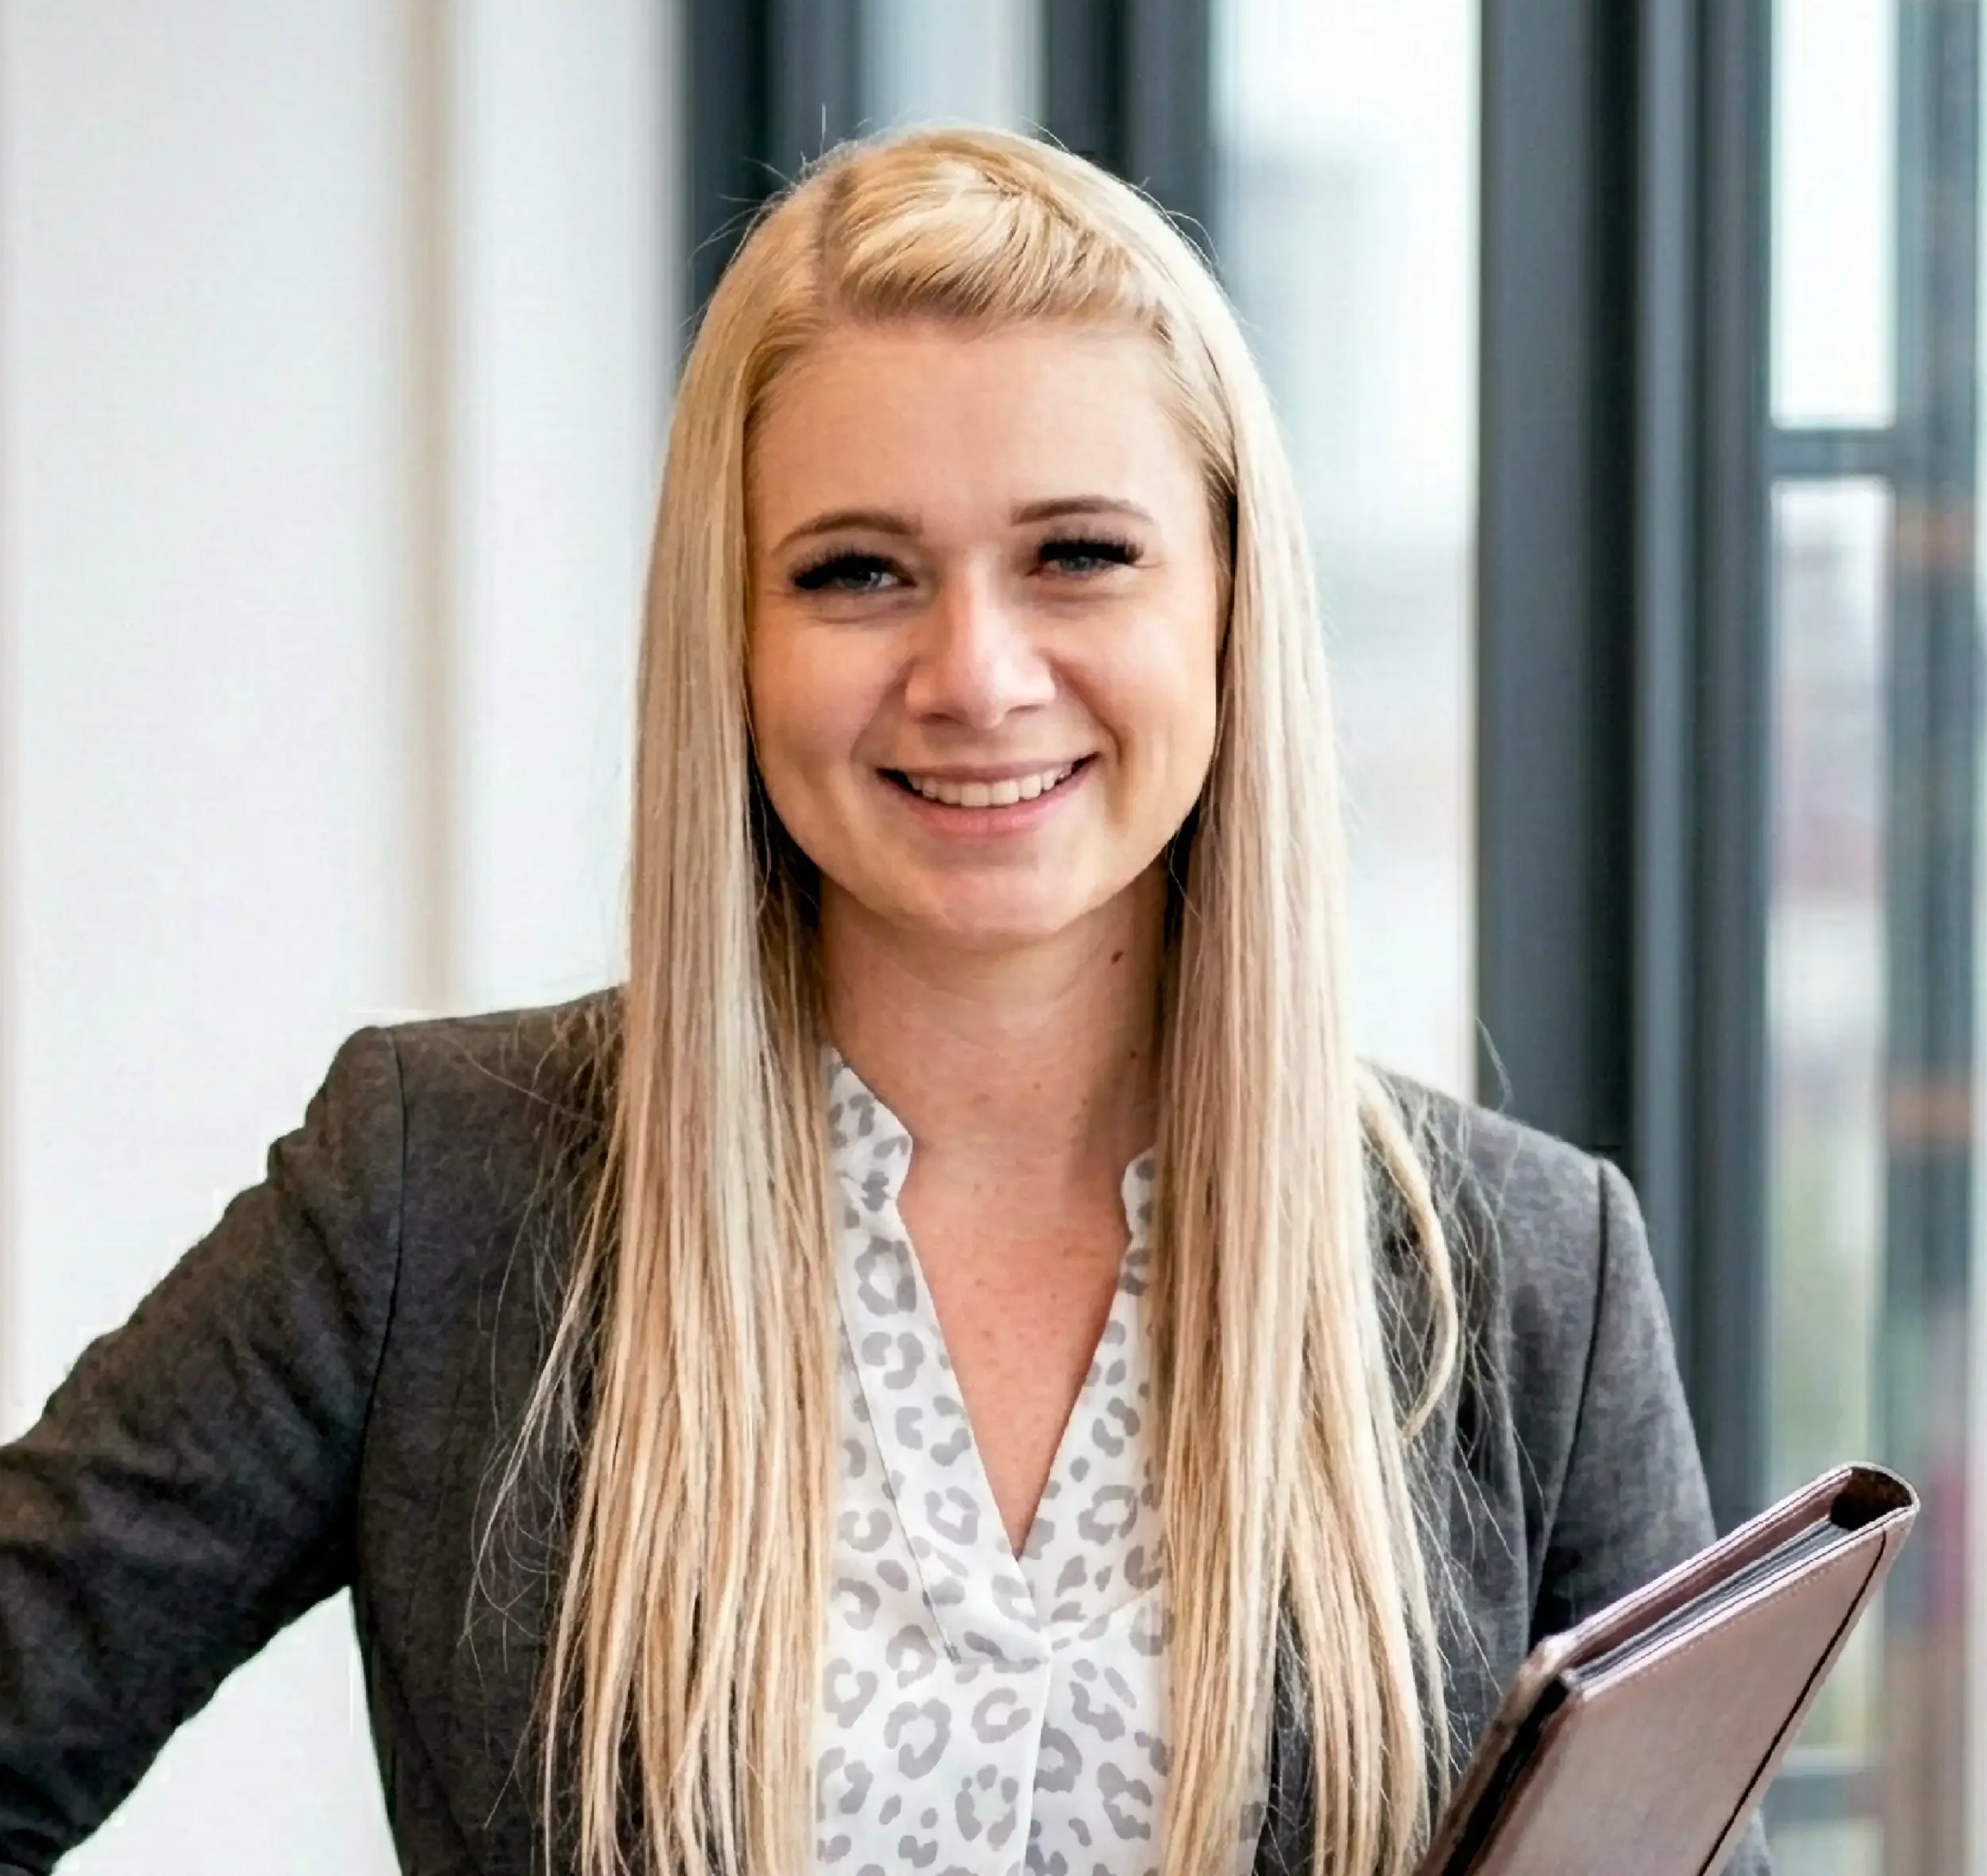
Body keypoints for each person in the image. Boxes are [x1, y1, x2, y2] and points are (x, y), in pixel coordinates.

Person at [0, 126, 1765, 1876]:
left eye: (1077, 552)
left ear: (1227, 601)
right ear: (732, 632)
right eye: (856, 570)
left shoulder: (1529, 1274)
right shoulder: (428, 1195)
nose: (974, 675)